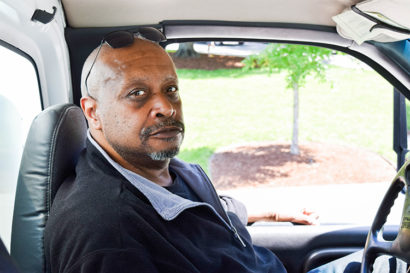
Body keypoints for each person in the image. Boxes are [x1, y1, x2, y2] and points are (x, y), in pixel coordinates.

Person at [43, 28, 404, 273]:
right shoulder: (108, 235)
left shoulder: (155, 172)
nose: (166, 108)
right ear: (93, 112)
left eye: (170, 90)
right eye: (138, 94)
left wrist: (270, 211)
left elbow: (202, 211)